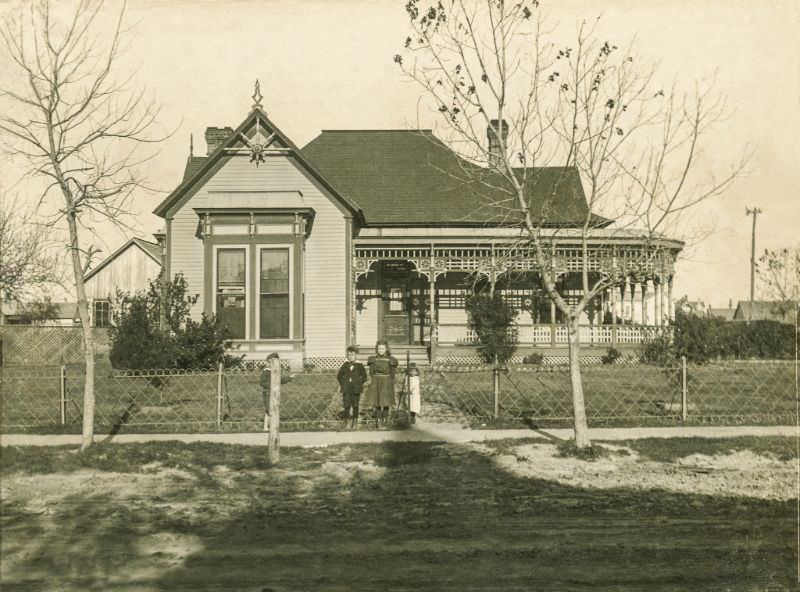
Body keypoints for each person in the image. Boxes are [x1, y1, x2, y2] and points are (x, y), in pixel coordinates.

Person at [365, 340, 398, 427]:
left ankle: (385, 419)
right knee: (378, 401)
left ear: (386, 349)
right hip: (376, 381)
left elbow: (392, 373)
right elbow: (371, 372)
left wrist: (391, 381)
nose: (381, 350)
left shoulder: (391, 360)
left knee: (386, 402)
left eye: (383, 348)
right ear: (376, 349)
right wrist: (373, 380)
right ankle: (378, 420)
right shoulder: (373, 359)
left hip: (387, 381)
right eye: (379, 348)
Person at [336, 346, 367, 429]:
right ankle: (347, 423)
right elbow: (339, 376)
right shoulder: (345, 365)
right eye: (349, 355)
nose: (351, 356)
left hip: (356, 389)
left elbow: (364, 377)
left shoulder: (359, 365)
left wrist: (359, 383)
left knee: (355, 405)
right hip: (346, 389)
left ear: (356, 355)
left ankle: (355, 422)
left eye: (352, 355)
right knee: (346, 405)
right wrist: (343, 384)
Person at [259, 352, 290, 431]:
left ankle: (270, 426)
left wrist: (289, 378)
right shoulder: (266, 371)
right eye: (269, 362)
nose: (270, 364)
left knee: (274, 408)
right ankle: (267, 427)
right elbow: (262, 382)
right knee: (269, 409)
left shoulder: (276, 371)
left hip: (275, 392)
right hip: (268, 392)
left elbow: (280, 380)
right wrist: (272, 385)